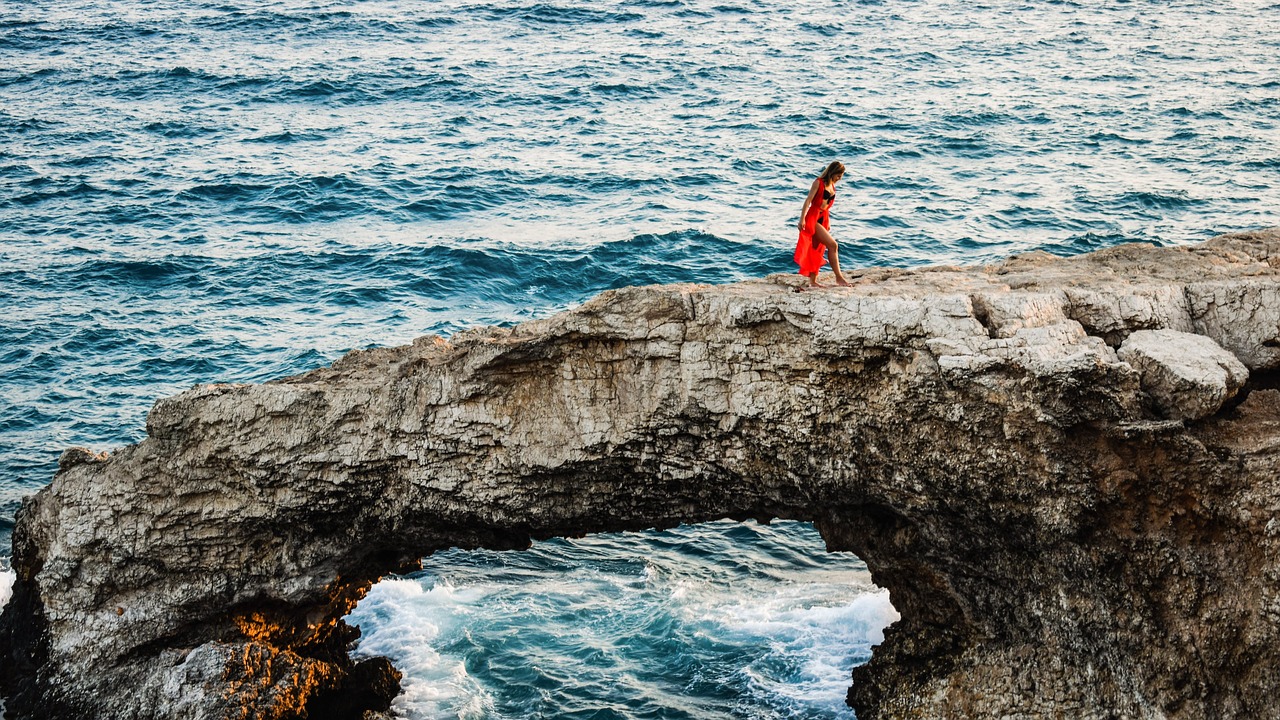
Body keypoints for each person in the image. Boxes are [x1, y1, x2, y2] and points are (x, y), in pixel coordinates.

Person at [794, 161, 851, 288]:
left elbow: (826, 208)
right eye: (839, 175)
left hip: (823, 219)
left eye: (841, 176)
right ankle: (839, 278)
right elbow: (808, 200)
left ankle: (813, 282)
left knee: (818, 249)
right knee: (833, 245)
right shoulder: (818, 183)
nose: (840, 178)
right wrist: (802, 219)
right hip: (812, 218)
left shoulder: (832, 187)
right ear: (833, 172)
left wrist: (828, 223)